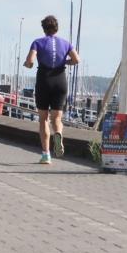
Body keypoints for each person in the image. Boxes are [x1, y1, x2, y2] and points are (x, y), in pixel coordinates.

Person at [23, 15, 80, 163]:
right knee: (57, 118)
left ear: (44, 29)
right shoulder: (66, 43)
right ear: (56, 28)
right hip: (60, 80)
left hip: (44, 80)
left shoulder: (37, 42)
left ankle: (46, 155)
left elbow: (30, 61)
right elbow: (76, 60)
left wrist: (27, 64)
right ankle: (58, 133)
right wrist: (64, 61)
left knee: (43, 119)